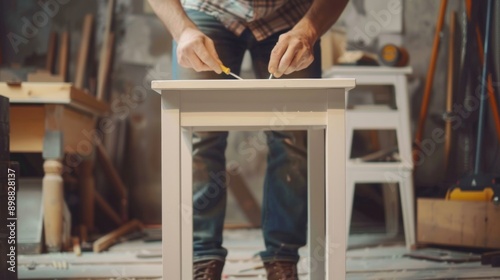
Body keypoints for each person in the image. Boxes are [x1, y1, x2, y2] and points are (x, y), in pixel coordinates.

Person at [148, 0, 347, 278]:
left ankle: (282, 258)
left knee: (294, 137)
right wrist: (183, 30)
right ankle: (203, 257)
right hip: (209, 9)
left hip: (291, 15)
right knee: (198, 135)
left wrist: (309, 30)